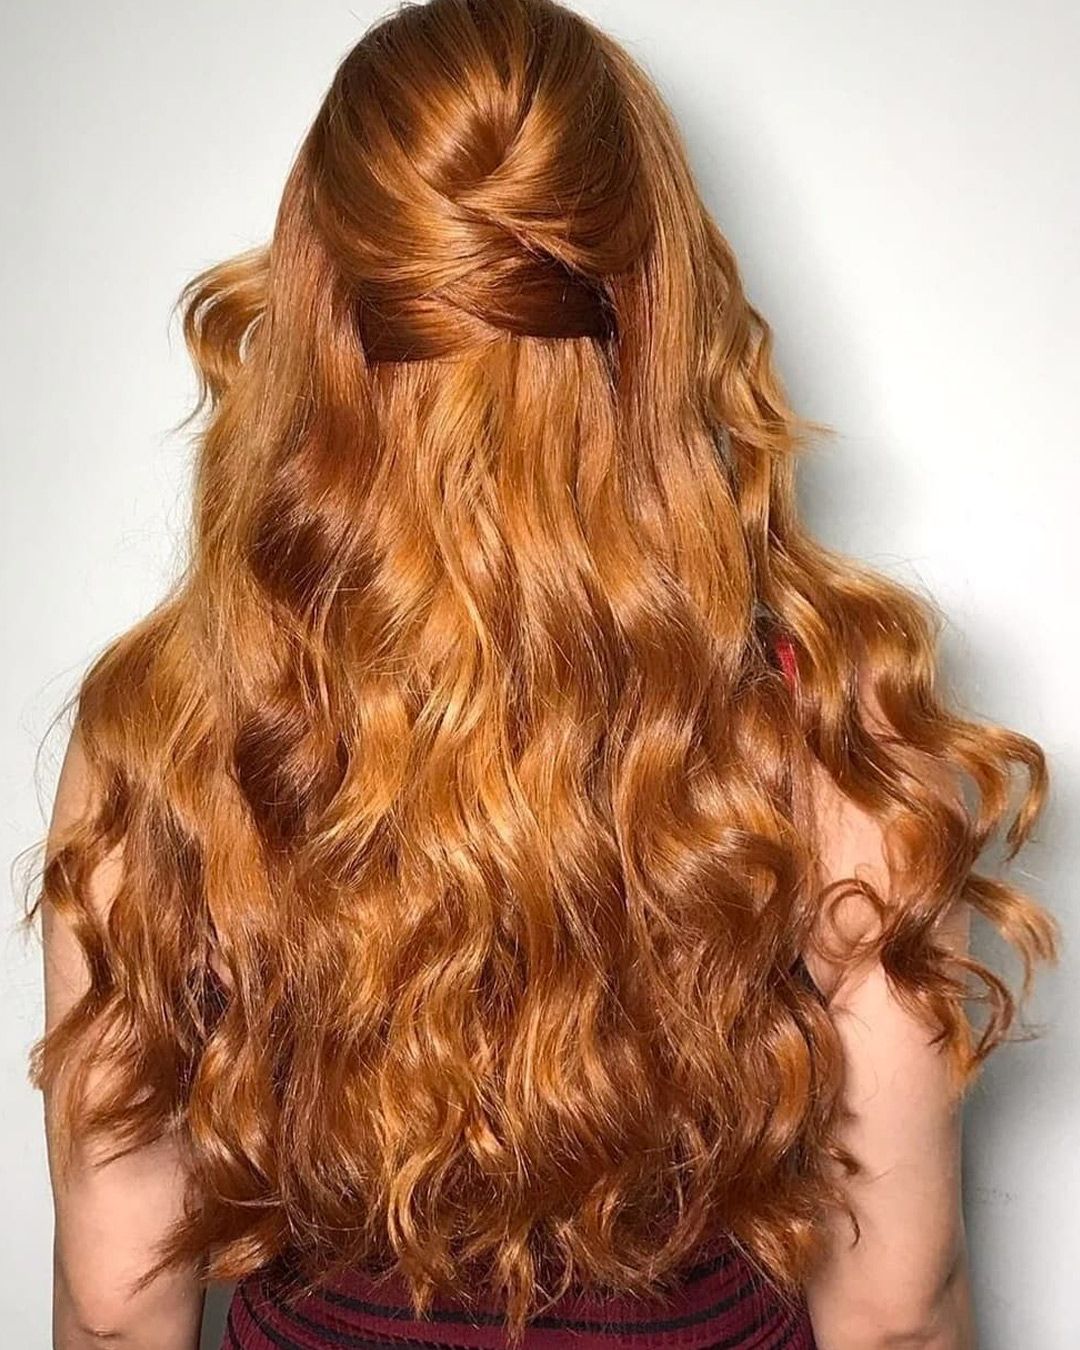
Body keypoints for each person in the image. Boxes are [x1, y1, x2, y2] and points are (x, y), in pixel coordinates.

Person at [27, 1, 1058, 1347]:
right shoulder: (829, 723)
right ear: (662, 298)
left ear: (322, 302)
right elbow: (896, 1304)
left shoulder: (167, 725)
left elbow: (116, 1300)